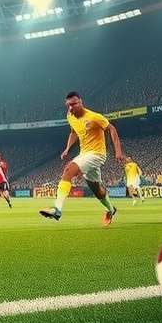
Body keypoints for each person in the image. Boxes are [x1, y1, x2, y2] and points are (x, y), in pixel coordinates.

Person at [40, 91, 124, 226]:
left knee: (68, 170)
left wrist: (118, 151)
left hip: (97, 154)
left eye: (74, 104)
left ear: (81, 102)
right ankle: (111, 209)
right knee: (96, 190)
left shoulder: (94, 117)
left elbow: (111, 129)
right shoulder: (70, 116)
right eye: (69, 105)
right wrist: (67, 149)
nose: (71, 107)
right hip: (84, 154)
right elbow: (74, 132)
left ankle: (57, 209)